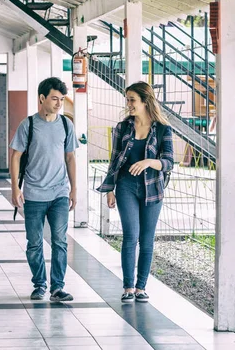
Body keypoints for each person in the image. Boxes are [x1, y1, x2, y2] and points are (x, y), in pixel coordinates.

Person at [97, 81, 174, 303]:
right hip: (126, 187)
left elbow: (169, 162)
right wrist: (109, 188)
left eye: (132, 100)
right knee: (130, 236)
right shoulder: (122, 128)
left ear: (145, 101)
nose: (128, 104)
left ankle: (141, 287)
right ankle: (128, 287)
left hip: (153, 189)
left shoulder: (162, 129)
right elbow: (114, 160)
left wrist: (150, 161)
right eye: (127, 99)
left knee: (147, 239)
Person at [10, 77, 77, 302]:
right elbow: (16, 156)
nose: (59, 104)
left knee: (60, 240)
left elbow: (70, 157)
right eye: (54, 99)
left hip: (59, 192)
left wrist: (74, 189)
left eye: (61, 99)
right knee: (35, 243)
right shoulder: (28, 125)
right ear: (42, 98)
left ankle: (57, 288)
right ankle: (39, 285)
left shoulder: (67, 125)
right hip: (34, 193)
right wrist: (14, 189)